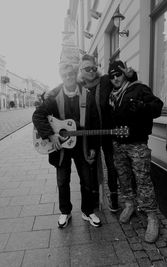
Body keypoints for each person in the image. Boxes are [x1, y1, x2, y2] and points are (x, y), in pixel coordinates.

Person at [32, 63, 101, 228]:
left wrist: (93, 147)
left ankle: (88, 211)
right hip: (61, 147)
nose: (69, 78)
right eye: (65, 75)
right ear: (61, 77)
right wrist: (50, 134)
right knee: (63, 181)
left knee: (87, 180)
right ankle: (65, 211)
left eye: (71, 74)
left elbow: (95, 124)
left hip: (82, 145)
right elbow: (38, 115)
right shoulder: (54, 96)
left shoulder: (87, 95)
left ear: (75, 74)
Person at [108, 60, 163, 243]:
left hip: (137, 144)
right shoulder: (111, 96)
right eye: (112, 75)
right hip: (118, 145)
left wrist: (142, 107)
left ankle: (152, 216)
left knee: (143, 180)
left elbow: (157, 107)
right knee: (123, 178)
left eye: (118, 74)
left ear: (125, 74)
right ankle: (130, 204)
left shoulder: (139, 88)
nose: (115, 78)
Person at [78, 54, 136, 212]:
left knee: (112, 167)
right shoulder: (78, 87)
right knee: (91, 167)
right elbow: (62, 88)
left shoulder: (104, 81)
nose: (91, 71)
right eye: (87, 68)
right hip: (91, 136)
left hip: (109, 133)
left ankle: (114, 199)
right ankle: (94, 200)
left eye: (94, 68)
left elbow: (124, 84)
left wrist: (132, 75)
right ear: (81, 70)